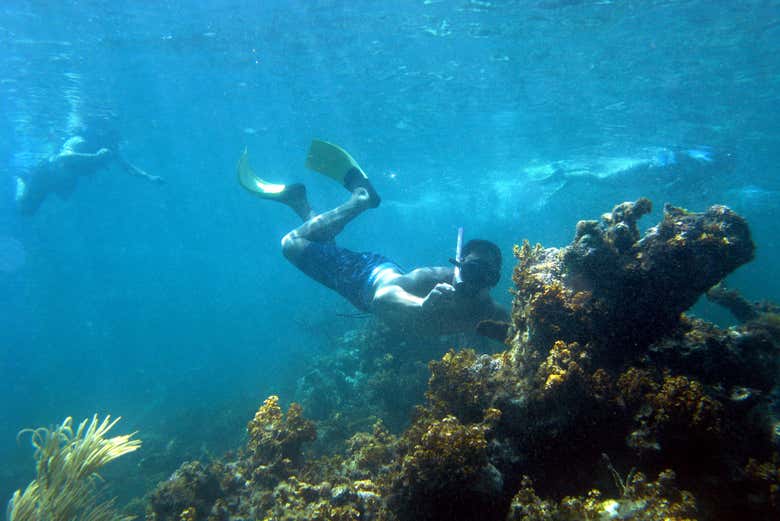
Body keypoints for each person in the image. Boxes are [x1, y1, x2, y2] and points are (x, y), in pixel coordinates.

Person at [238, 140, 508, 336]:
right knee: (290, 244)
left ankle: (299, 203)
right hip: (364, 278)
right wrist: (422, 305)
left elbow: (516, 333)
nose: (477, 283)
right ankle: (360, 199)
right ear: (458, 264)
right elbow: (382, 298)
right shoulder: (433, 282)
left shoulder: (488, 311)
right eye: (472, 270)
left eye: (488, 277)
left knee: (321, 248)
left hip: (365, 285)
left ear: (494, 280)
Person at [14, 135, 162, 215]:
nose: (115, 141)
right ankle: (21, 180)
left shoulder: (111, 149)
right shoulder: (79, 140)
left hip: (65, 179)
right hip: (47, 174)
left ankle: (27, 183)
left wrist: (149, 177)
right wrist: (95, 157)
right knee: (25, 209)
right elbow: (62, 157)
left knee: (55, 202)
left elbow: (127, 167)